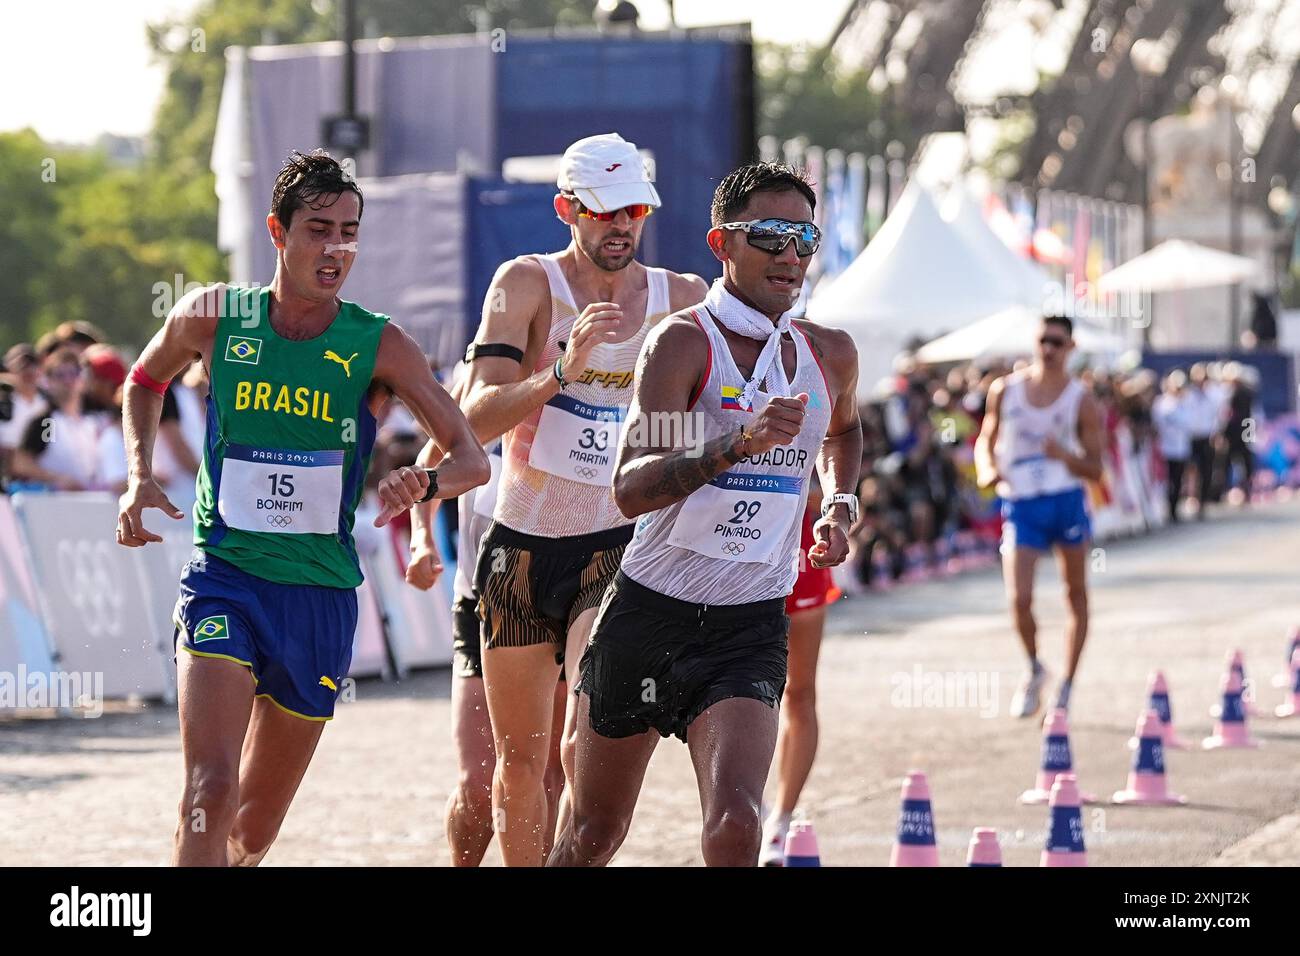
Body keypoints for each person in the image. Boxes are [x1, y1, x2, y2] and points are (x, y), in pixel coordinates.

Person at [115, 149, 489, 867]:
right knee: (209, 788)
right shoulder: (216, 316)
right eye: (318, 229)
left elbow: (468, 457)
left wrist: (423, 484)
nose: (336, 248)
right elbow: (142, 378)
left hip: (318, 598)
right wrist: (139, 476)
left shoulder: (378, 343)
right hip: (225, 577)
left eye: (350, 231)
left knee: (250, 831)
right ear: (277, 232)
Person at [549, 162, 861, 867]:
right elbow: (631, 487)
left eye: (804, 238)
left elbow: (844, 431)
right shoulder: (685, 345)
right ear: (723, 243)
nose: (791, 256)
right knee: (595, 833)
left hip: (746, 625)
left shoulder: (828, 353)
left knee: (736, 823)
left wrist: (839, 503)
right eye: (771, 236)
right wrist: (737, 442)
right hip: (646, 616)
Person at [453, 133, 707, 866]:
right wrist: (561, 371)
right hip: (521, 550)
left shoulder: (679, 298)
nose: (621, 226)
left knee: (579, 743)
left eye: (634, 210)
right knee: (518, 765)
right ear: (567, 209)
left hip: (615, 549)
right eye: (603, 212)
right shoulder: (528, 285)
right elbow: (473, 419)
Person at [407, 366, 568, 866]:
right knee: (477, 785)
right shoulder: (478, 374)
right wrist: (423, 539)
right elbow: (427, 465)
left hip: (561, 591)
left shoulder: (584, 367)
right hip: (480, 599)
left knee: (546, 776)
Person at [974, 316, 1103, 718]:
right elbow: (985, 439)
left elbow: (1097, 468)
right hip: (1022, 503)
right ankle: (1034, 667)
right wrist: (986, 471)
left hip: (1064, 499)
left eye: (1057, 342)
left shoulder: (1081, 399)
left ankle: (1067, 684)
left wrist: (1064, 456)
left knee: (1075, 594)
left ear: (1071, 348)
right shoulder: (1005, 390)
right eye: (1043, 340)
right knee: (1020, 597)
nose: (1048, 349)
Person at [758, 493, 841, 866]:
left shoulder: (827, 432)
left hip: (802, 548)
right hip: (742, 547)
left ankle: (781, 819)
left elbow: (835, 489)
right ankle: (751, 807)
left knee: (800, 694)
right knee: (736, 692)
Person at [11, 346, 99, 491]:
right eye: (60, 375)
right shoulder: (48, 422)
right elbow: (21, 463)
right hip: (53, 505)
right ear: (49, 382)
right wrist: (57, 478)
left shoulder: (91, 422)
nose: (68, 380)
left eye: (73, 373)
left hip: (86, 502)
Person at [1153, 370, 1193, 522]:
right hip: (1165, 448)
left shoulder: (1185, 403)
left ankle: (1174, 509)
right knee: (1165, 480)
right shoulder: (1162, 403)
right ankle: (1163, 509)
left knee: (1177, 480)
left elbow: (1189, 424)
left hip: (1180, 448)